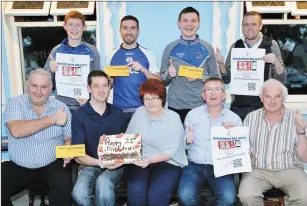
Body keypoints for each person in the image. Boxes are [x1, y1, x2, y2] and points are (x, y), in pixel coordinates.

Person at [1, 68, 72, 206]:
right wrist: (53, 119)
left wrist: (68, 147)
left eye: (44, 87)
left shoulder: (61, 107)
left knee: (64, 186)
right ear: (27, 84)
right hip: (19, 166)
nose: (38, 91)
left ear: (51, 88)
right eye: (34, 86)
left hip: (51, 165)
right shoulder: (15, 103)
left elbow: (68, 137)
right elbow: (16, 130)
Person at [238, 79, 307, 206]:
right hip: (257, 170)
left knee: (305, 196)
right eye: (268, 96)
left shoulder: (296, 119)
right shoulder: (250, 117)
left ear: (283, 99)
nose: (272, 101)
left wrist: (301, 132)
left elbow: (304, 158)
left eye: (277, 96)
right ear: (261, 98)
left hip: (289, 169)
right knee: (246, 195)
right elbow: (241, 147)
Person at [177, 77, 242, 206]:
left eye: (218, 89)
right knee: (185, 196)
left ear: (224, 95)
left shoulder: (234, 119)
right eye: (209, 90)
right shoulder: (192, 114)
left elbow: (239, 151)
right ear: (203, 95)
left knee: (228, 198)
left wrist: (234, 133)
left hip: (221, 166)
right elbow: (183, 145)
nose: (213, 93)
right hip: (194, 164)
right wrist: (187, 141)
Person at [124, 79, 188, 206]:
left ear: (162, 99)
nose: (150, 102)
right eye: (146, 98)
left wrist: (150, 160)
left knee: (156, 193)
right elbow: (129, 139)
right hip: (140, 161)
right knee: (136, 189)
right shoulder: (139, 112)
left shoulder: (173, 117)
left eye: (154, 98)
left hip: (168, 163)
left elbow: (172, 150)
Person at [216, 11, 286, 121]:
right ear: (242, 26)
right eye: (246, 24)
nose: (249, 28)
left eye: (253, 24)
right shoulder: (236, 46)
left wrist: (276, 62)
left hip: (264, 107)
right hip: (239, 107)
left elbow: (282, 78)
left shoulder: (271, 45)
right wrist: (220, 63)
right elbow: (226, 79)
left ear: (260, 26)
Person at [71, 70, 125, 206]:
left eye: (105, 85)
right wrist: (100, 163)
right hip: (92, 163)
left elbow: (126, 143)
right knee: (79, 193)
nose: (101, 90)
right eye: (96, 86)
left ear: (109, 87)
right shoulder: (79, 115)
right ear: (89, 88)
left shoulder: (117, 112)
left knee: (104, 183)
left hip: (117, 165)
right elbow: (78, 155)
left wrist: (122, 159)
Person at [160, 7, 220, 123]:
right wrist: (169, 74)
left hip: (201, 105)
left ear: (198, 23)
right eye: (185, 20)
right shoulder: (170, 48)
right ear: (179, 23)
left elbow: (216, 80)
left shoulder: (207, 48)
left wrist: (200, 76)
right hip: (176, 106)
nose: (189, 24)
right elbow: (162, 80)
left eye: (193, 21)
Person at [107, 15, 160, 130]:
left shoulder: (148, 53)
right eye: (125, 28)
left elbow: (159, 83)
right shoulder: (111, 55)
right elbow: (108, 85)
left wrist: (144, 70)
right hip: (118, 110)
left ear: (138, 31)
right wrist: (109, 78)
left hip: (142, 109)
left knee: (142, 146)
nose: (129, 32)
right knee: (122, 146)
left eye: (133, 28)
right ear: (120, 31)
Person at [44, 10, 101, 113]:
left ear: (84, 27)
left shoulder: (92, 51)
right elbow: (44, 81)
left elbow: (97, 81)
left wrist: (91, 100)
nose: (74, 28)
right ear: (64, 26)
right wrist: (50, 71)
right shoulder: (56, 51)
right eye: (70, 24)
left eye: (78, 25)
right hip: (60, 106)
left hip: (84, 106)